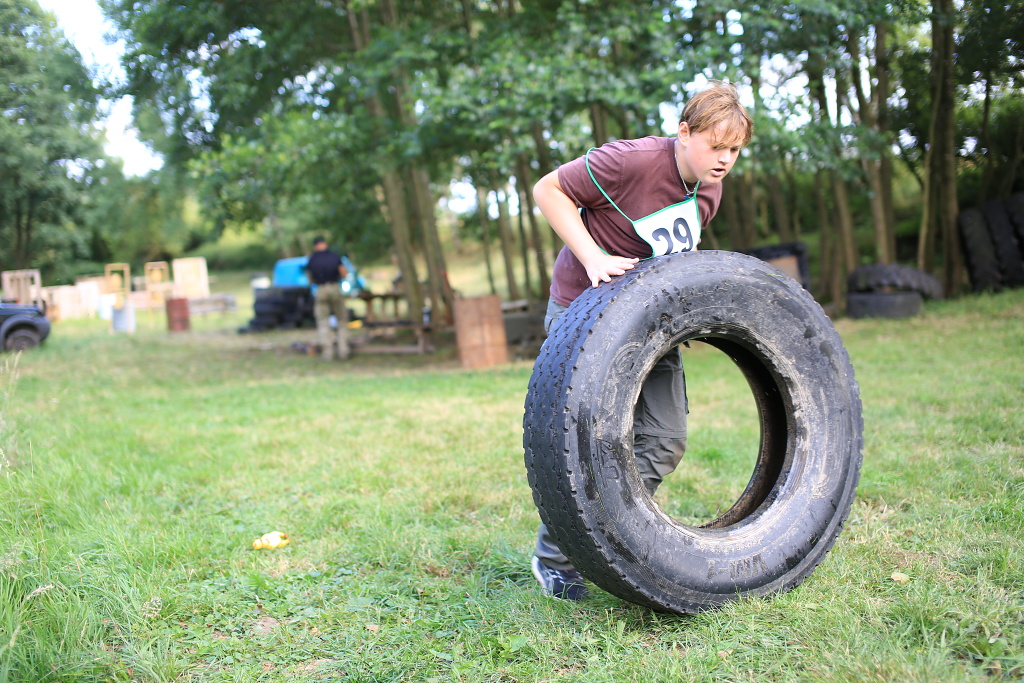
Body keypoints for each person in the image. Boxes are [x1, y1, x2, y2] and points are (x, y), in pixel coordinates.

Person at [529, 81, 754, 601]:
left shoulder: (709, 188)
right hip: (581, 312)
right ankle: (555, 556)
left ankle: (604, 527)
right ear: (684, 132)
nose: (724, 160)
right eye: (715, 146)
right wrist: (592, 257)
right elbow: (547, 190)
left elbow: (675, 257)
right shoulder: (630, 161)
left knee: (664, 439)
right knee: (588, 441)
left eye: (735, 150)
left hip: (647, 321)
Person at [306, 236, 350, 361]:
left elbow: (310, 279)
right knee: (342, 320)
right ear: (325, 244)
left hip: (320, 290)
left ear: (315, 246)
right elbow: (344, 273)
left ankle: (327, 353)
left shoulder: (312, 259)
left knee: (323, 322)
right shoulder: (335, 256)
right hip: (335, 288)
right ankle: (343, 351)